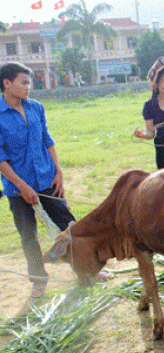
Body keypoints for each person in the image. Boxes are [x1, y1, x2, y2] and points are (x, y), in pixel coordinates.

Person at [0, 62, 76, 298]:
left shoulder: (36, 108)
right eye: (23, 82)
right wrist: (22, 186)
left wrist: (58, 172)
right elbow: (0, 158)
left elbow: (47, 140)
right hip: (17, 187)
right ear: (7, 84)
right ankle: (39, 280)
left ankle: (83, 267)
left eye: (29, 82)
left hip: (47, 178)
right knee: (28, 236)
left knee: (70, 225)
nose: (28, 87)